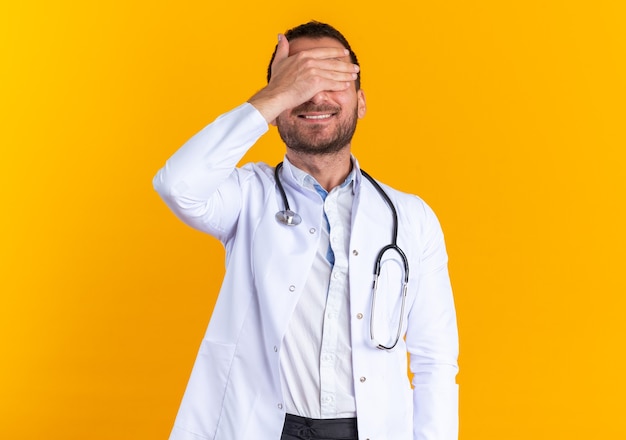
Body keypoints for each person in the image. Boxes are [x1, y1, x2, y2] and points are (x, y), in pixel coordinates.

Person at [154, 21, 458, 440]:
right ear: (277, 110)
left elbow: (435, 361)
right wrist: (275, 94)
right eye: (301, 80)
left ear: (361, 101)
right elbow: (177, 184)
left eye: (333, 77)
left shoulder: (410, 217)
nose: (316, 95)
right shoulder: (247, 197)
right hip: (264, 429)